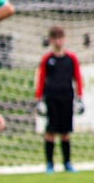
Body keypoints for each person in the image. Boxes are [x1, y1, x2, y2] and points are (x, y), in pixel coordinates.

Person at [34, 26, 84, 173]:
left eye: (60, 38)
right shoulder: (47, 59)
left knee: (65, 132)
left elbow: (78, 78)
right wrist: (39, 99)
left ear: (64, 39)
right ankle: (49, 164)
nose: (58, 41)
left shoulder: (71, 58)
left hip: (67, 97)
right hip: (51, 98)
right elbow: (42, 79)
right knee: (50, 131)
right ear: (50, 40)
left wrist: (79, 97)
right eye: (55, 38)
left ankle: (67, 163)